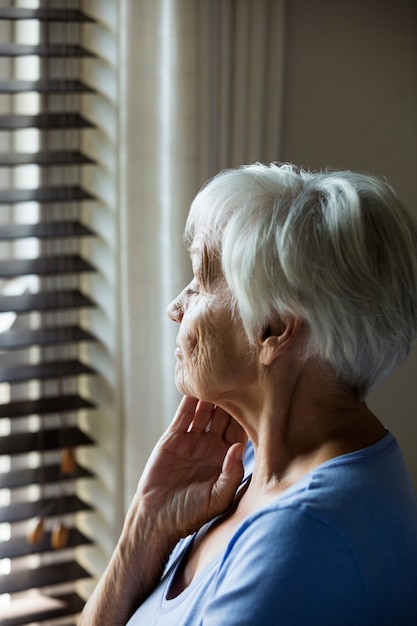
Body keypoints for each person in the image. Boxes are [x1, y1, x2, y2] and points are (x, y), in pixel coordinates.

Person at [79, 163, 417, 626]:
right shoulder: (253, 466)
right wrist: (146, 527)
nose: (175, 307)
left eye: (199, 282)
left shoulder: (302, 536)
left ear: (273, 328)